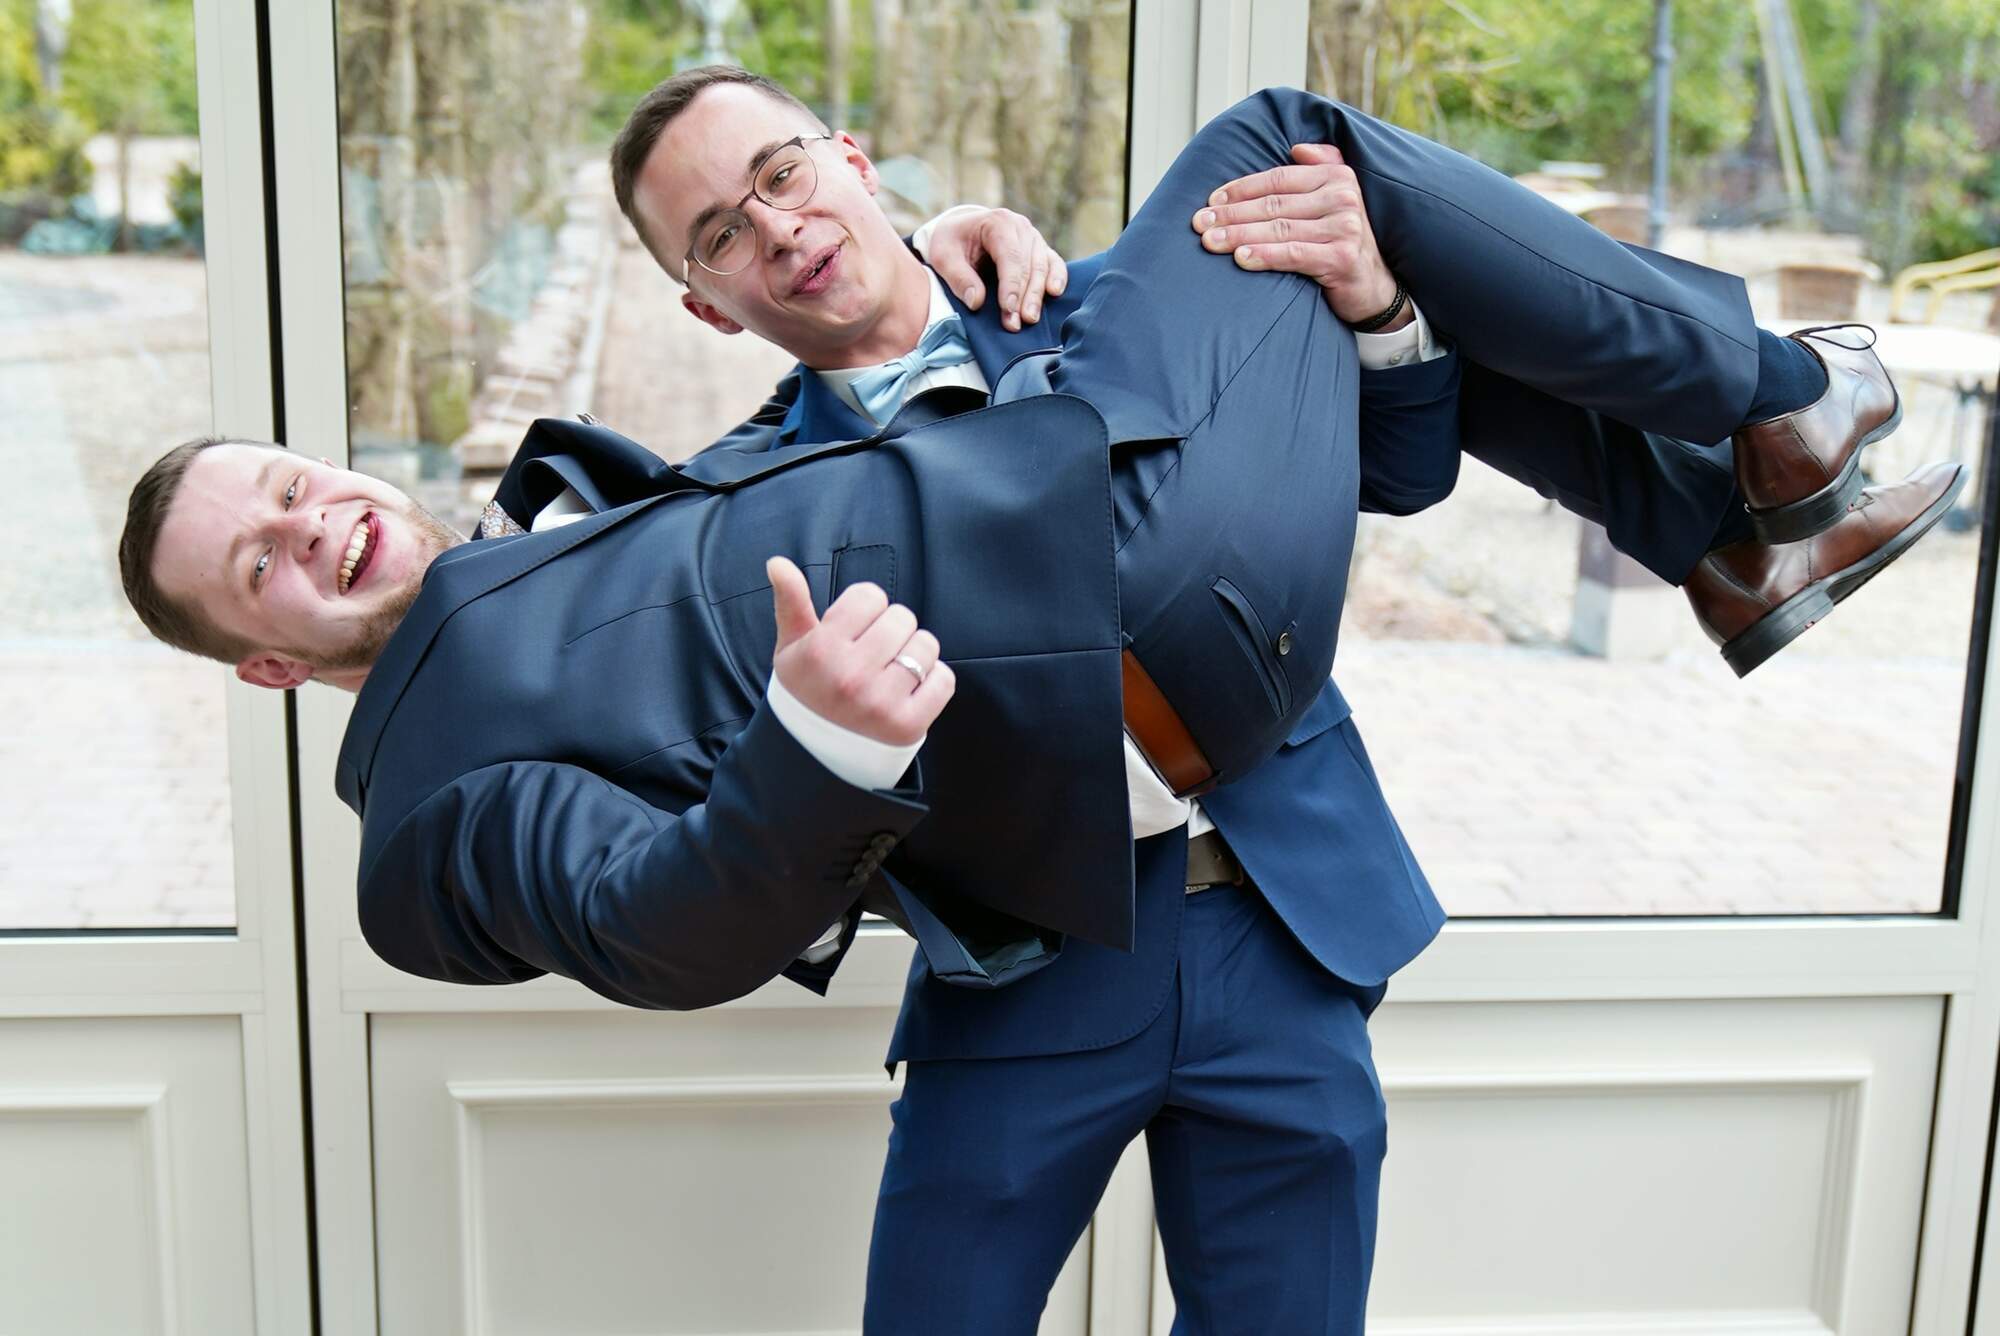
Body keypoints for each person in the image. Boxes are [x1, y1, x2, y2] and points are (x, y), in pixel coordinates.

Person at [118, 87, 1956, 1336]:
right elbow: (668, 853)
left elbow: (1379, 480)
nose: (780, 228)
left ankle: (1753, 484)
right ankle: (1768, 458)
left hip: (1282, 917)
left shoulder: (1072, 302)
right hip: (1031, 976)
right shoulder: (725, 502)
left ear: (851, 161)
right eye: (725, 234)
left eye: (785, 176)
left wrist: (1382, 305)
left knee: (1315, 189)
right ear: (705, 299)